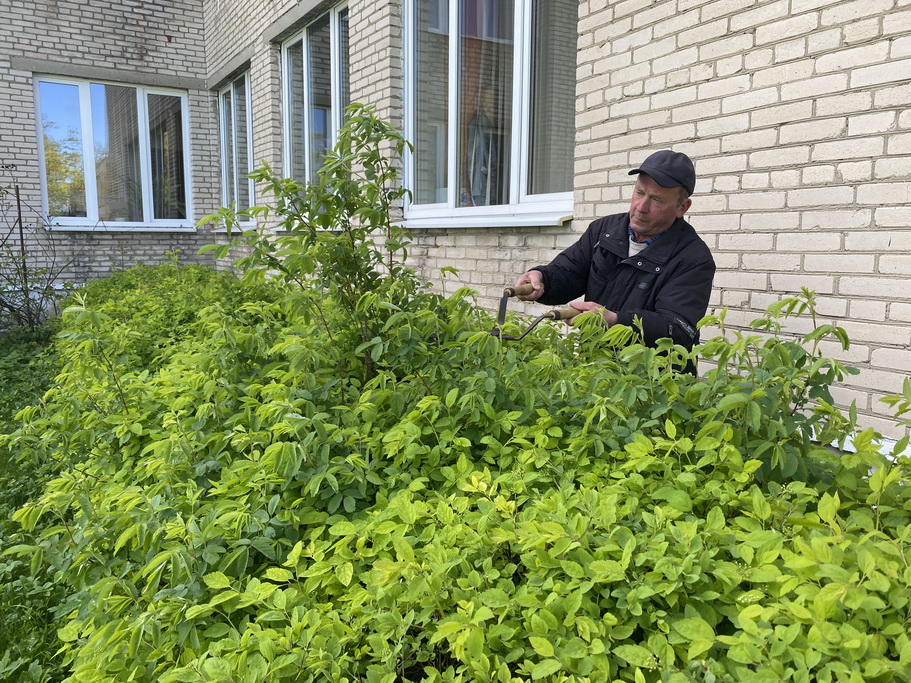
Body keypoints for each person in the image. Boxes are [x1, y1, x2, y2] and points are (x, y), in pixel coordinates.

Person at [514, 149, 715, 361]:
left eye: (656, 199)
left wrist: (615, 321)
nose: (641, 207)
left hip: (653, 377)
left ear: (682, 207)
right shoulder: (603, 231)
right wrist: (542, 279)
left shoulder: (693, 259)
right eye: (639, 192)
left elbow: (677, 329)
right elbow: (570, 273)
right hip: (593, 368)